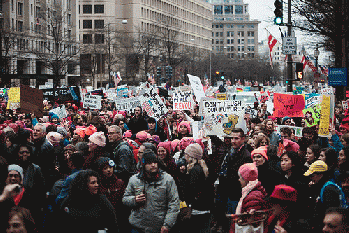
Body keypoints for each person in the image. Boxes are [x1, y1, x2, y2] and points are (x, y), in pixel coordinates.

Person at [122, 150, 180, 233]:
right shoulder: (134, 180)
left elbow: (174, 203)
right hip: (138, 226)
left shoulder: (167, 180)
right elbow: (125, 199)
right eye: (149, 163)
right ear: (143, 164)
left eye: (155, 162)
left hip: (159, 227)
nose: (153, 165)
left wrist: (167, 224)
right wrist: (134, 200)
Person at [216, 128, 252, 231]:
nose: (233, 141)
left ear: (243, 139)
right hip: (226, 191)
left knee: (234, 222)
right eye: (232, 138)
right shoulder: (230, 151)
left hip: (236, 193)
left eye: (236, 138)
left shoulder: (246, 155)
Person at [180, 143, 213, 233]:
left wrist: (190, 205)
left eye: (186, 154)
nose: (184, 156)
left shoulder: (195, 170)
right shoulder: (202, 167)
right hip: (204, 207)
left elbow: (192, 189)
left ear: (190, 156)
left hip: (197, 208)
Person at [231, 163, 267, 233]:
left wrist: (242, 219)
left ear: (246, 179)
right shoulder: (251, 192)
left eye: (240, 177)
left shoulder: (252, 197)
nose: (239, 180)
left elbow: (252, 222)